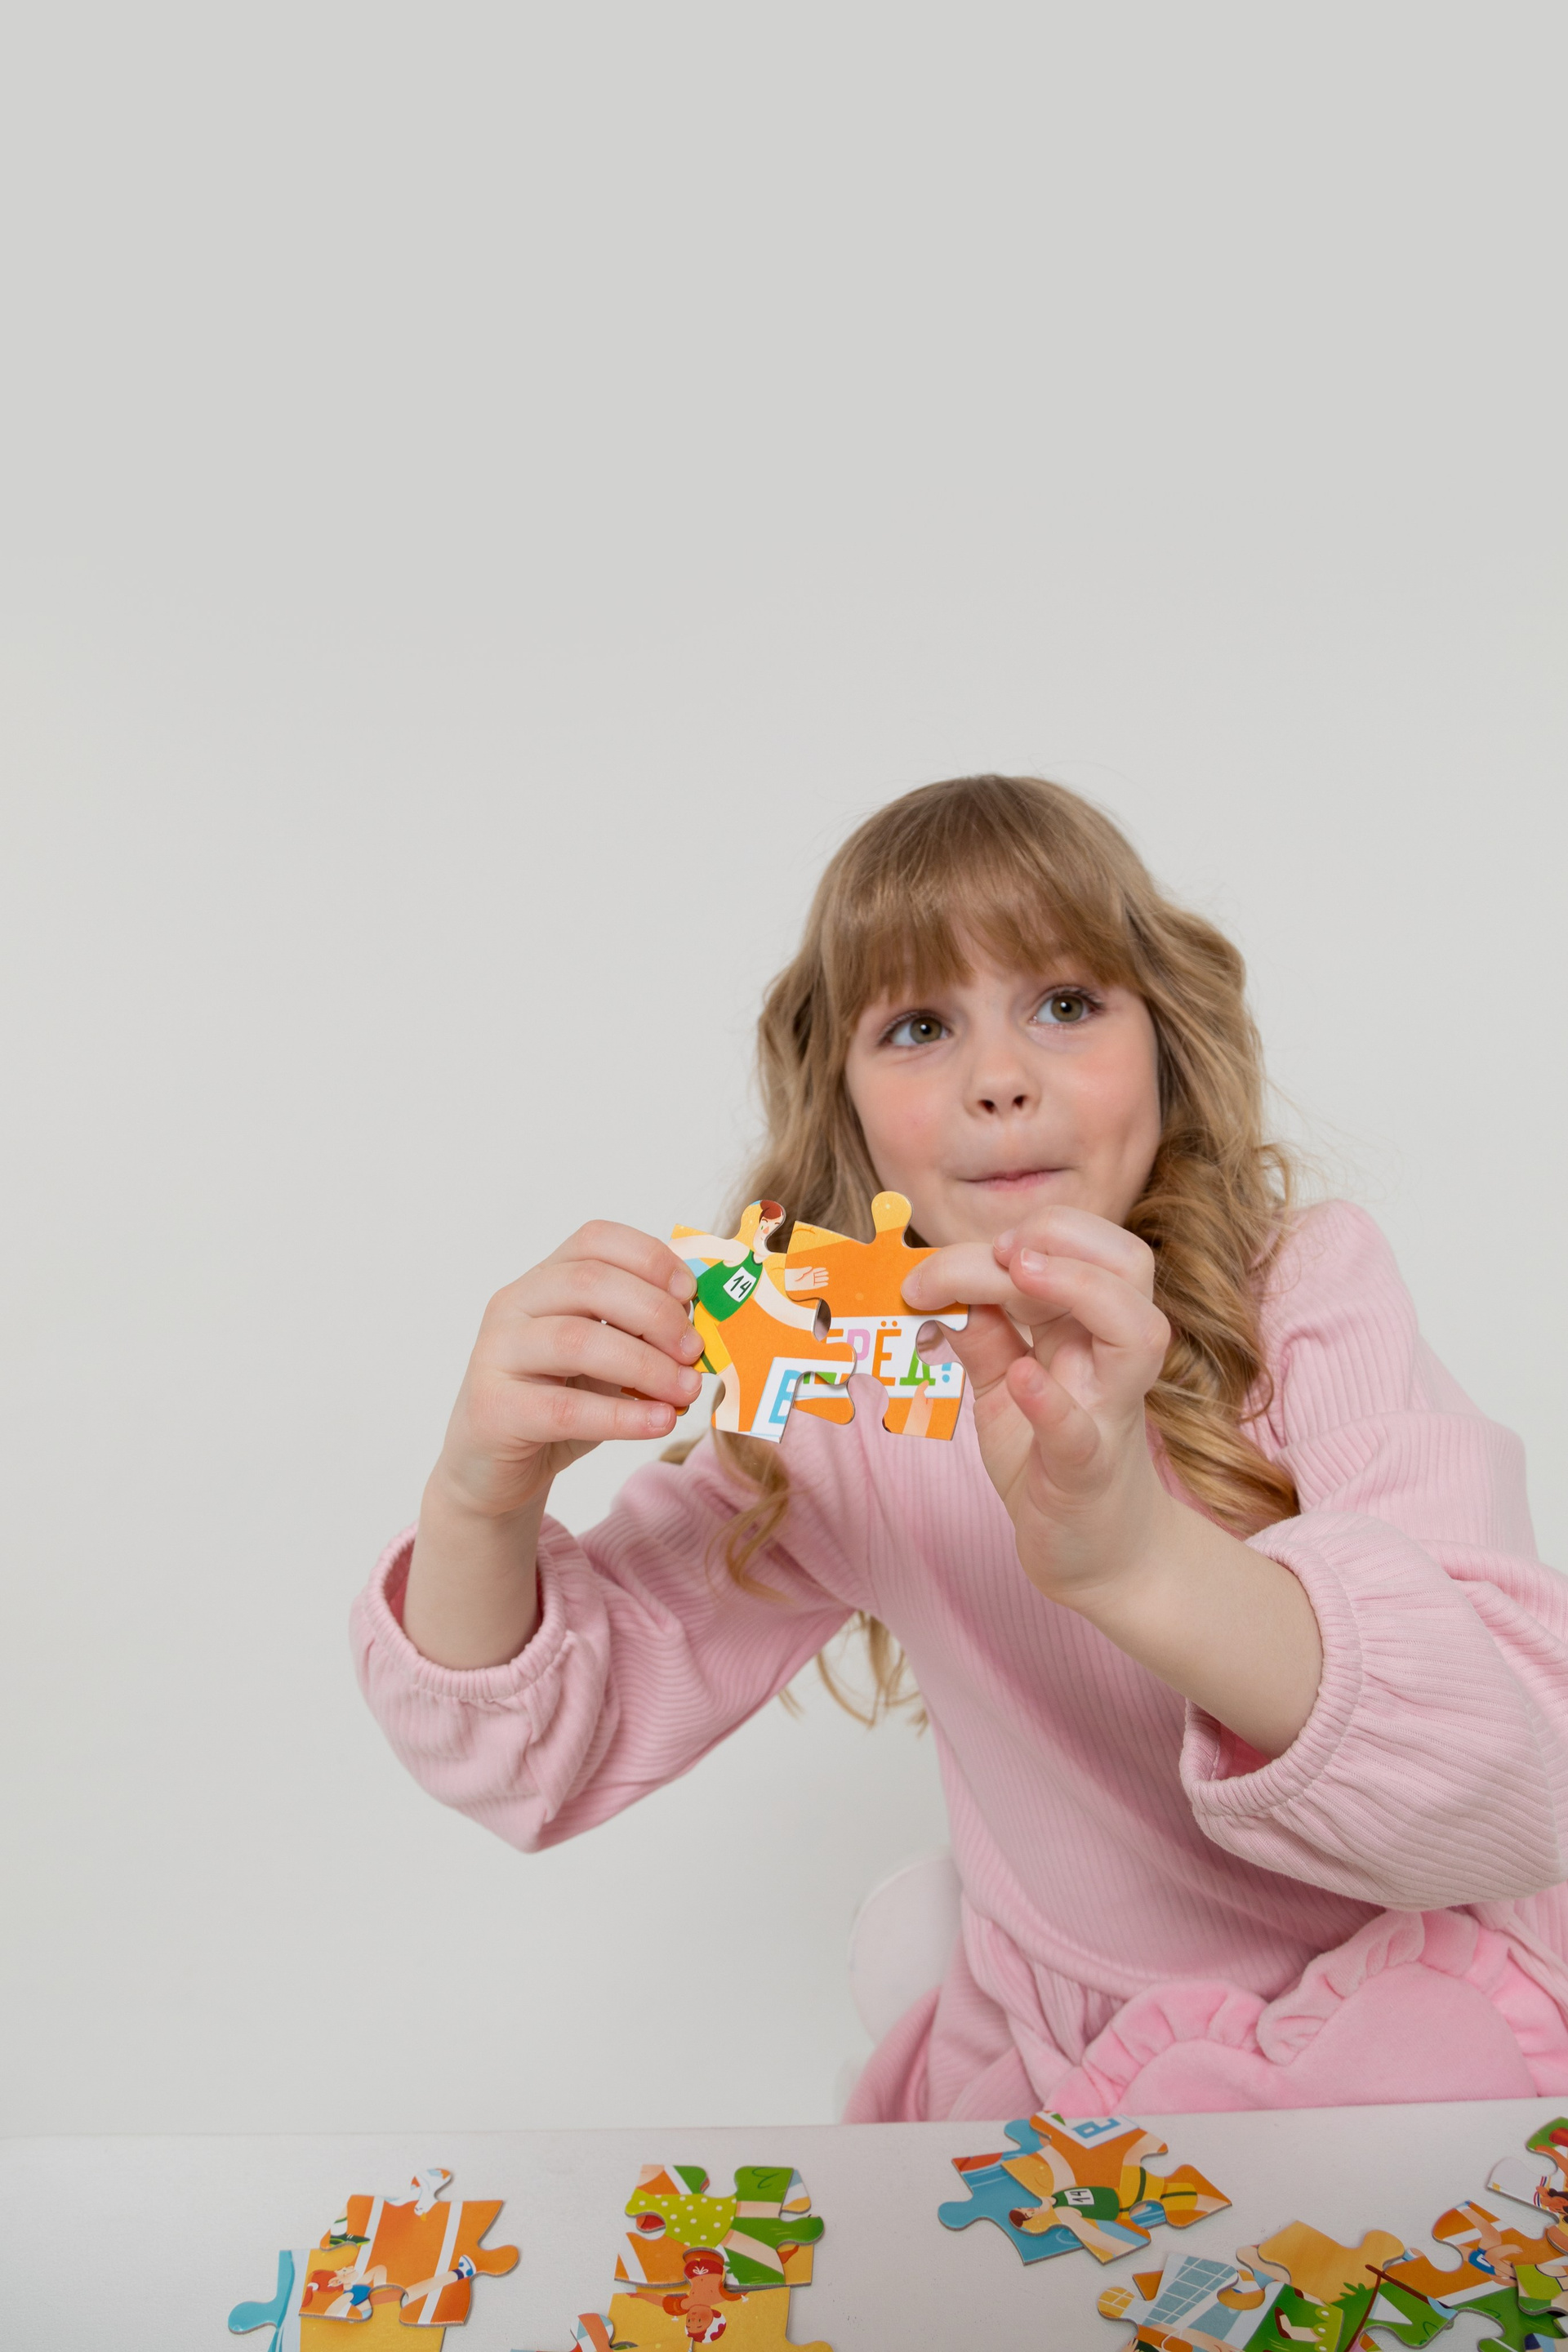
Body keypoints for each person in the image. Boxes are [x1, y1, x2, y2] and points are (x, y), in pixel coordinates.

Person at [353, 773, 1568, 2119]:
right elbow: (540, 1755)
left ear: (1167, 1040)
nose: (1000, 1080)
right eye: (920, 1027)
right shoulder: (842, 1396)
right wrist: (480, 1495)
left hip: (1402, 2009)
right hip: (1056, 2052)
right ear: (846, 1101)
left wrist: (1137, 1558)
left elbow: (1516, 1785)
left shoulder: (1301, 1294)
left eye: (1067, 1003)